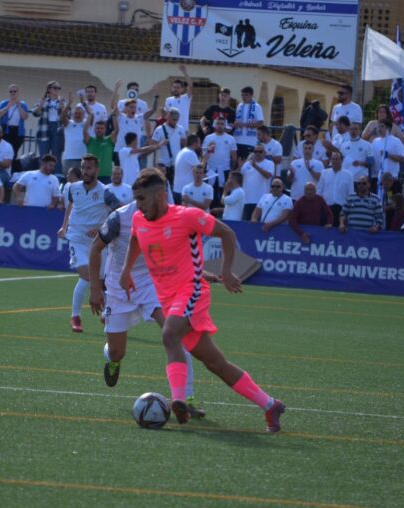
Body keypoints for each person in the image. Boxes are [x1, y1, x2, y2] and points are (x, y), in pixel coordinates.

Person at [119, 168, 285, 430]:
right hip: (168, 297)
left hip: (192, 290)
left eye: (141, 199)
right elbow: (135, 240)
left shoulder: (188, 216)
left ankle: (179, 401)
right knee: (215, 362)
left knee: (168, 334)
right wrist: (126, 270)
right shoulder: (140, 219)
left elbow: (227, 233)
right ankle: (270, 405)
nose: (137, 205)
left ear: (161, 196)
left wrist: (227, 271)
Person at [88, 200, 206, 418]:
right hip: (118, 286)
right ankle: (112, 360)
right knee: (117, 352)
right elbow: (95, 249)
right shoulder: (119, 218)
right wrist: (96, 289)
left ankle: (186, 398)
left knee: (175, 333)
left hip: (152, 284)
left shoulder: (169, 214)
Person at [57, 154, 121, 333]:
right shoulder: (72, 188)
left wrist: (101, 227)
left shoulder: (105, 192)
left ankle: (106, 314)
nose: (85, 171)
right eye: (83, 168)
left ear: (97, 170)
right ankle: (75, 317)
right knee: (87, 275)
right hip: (77, 238)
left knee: (101, 281)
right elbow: (71, 206)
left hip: (98, 242)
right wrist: (64, 227)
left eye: (89, 168)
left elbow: (118, 212)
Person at [32, 80, 66, 174]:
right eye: (55, 88)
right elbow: (35, 113)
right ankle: (42, 174)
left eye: (58, 88)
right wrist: (41, 105)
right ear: (49, 89)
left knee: (57, 154)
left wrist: (63, 108)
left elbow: (68, 115)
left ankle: (58, 176)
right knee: (44, 155)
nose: (57, 90)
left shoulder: (62, 101)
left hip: (57, 129)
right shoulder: (43, 101)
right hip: (44, 129)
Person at [151, 108, 188, 186]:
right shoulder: (160, 129)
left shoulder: (181, 129)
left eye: (177, 120)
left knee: (175, 185)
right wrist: (161, 144)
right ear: (168, 117)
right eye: (173, 119)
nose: (175, 122)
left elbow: (184, 146)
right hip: (163, 163)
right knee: (162, 185)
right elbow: (153, 145)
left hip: (176, 163)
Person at [203, 117, 237, 200]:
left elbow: (234, 157)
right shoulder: (208, 138)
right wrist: (208, 149)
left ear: (225, 125)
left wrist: (231, 170)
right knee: (210, 195)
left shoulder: (230, 139)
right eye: (218, 123)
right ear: (215, 125)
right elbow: (203, 156)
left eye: (222, 124)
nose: (220, 126)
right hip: (211, 170)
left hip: (225, 170)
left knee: (224, 194)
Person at [240, 143, 274, 220]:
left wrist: (256, 166)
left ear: (265, 153)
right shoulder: (247, 164)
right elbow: (239, 176)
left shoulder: (269, 163)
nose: (257, 153)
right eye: (255, 151)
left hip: (261, 201)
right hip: (247, 200)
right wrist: (240, 166)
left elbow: (268, 175)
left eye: (260, 151)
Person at [318, 150, 353, 224]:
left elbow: (350, 194)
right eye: (333, 159)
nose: (335, 161)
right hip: (326, 208)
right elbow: (319, 191)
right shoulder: (324, 173)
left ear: (342, 160)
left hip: (341, 210)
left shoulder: (348, 175)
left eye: (337, 159)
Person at [83, 109, 115, 183]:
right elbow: (85, 131)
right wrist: (90, 116)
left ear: (105, 129)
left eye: (102, 128)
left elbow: (116, 130)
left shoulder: (109, 140)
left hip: (106, 175)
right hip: (92, 174)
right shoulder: (90, 141)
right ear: (94, 129)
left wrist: (114, 116)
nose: (99, 130)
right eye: (97, 128)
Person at [233, 86, 264, 160]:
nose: (244, 97)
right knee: (238, 163)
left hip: (250, 141)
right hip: (237, 140)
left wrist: (244, 125)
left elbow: (260, 123)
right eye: (242, 95)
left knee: (247, 164)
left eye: (246, 95)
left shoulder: (257, 106)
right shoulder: (239, 106)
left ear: (251, 95)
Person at [371, 119, 404, 184]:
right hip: (376, 177)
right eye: (379, 127)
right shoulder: (375, 141)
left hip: (391, 178)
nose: (379, 129)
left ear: (388, 128)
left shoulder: (396, 141)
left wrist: (388, 155)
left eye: (382, 126)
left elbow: (402, 159)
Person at [173, 135, 203, 204]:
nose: (200, 145)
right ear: (195, 144)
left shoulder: (182, 151)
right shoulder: (190, 153)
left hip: (178, 189)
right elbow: (199, 169)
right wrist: (206, 158)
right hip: (185, 191)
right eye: (199, 143)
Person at [61, 96, 87, 172]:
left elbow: (91, 115)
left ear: (83, 114)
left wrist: (84, 103)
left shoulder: (87, 123)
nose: (77, 115)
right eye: (76, 113)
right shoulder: (69, 124)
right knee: (68, 180)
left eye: (80, 113)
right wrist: (68, 104)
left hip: (83, 158)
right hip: (69, 158)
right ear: (72, 114)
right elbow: (62, 117)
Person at [164, 64, 194, 132]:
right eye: (174, 87)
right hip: (170, 130)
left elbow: (190, 85)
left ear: (182, 89)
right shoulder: (168, 100)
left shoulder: (186, 98)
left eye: (178, 87)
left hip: (183, 130)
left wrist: (184, 72)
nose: (175, 89)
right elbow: (166, 116)